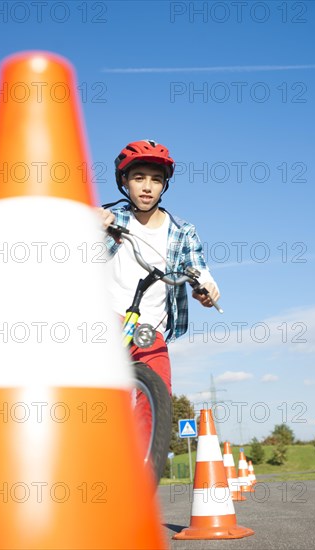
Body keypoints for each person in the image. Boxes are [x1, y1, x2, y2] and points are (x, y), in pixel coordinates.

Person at [98, 139, 220, 451]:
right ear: (124, 182)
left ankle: (138, 468)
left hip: (149, 327)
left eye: (156, 179)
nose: (147, 187)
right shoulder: (112, 218)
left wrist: (206, 288)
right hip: (106, 316)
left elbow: (197, 267)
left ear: (165, 185)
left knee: (157, 393)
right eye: (139, 178)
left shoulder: (181, 230)